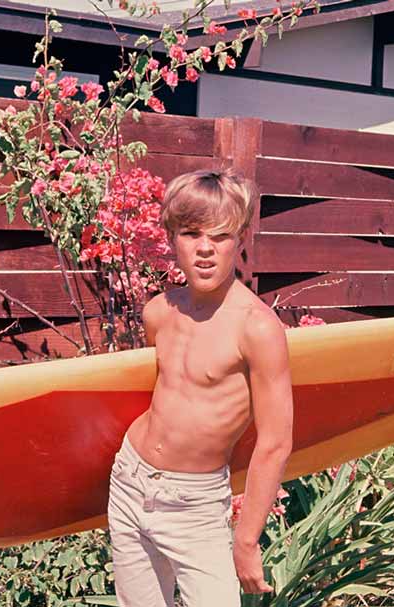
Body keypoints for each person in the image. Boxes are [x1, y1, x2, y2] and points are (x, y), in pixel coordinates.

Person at [106, 168, 294, 606]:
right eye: (191, 234)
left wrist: (246, 539)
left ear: (241, 239)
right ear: (172, 238)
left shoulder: (257, 329)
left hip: (195, 504)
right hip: (130, 481)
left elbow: (276, 441)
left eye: (221, 235)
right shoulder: (159, 312)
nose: (205, 249)